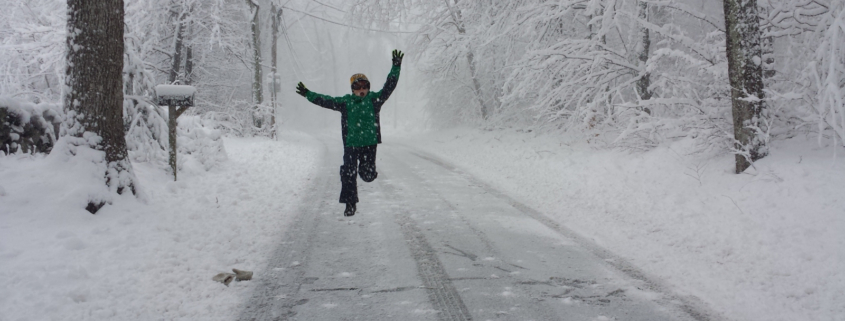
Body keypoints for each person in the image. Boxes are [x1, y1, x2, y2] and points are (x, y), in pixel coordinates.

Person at [296, 49, 404, 217]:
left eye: (364, 86)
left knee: (367, 176)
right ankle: (350, 203)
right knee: (348, 172)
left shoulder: (374, 100)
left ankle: (368, 171)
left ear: (368, 87)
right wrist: (308, 94)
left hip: (369, 144)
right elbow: (326, 100)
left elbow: (389, 86)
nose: (361, 90)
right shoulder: (346, 102)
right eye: (357, 87)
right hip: (351, 145)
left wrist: (396, 67)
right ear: (352, 89)